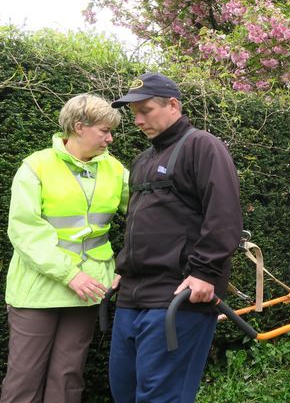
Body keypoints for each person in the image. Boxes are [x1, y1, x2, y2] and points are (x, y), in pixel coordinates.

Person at [109, 73, 242, 402]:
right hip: (131, 298)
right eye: (134, 113)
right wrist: (122, 268)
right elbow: (139, 224)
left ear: (173, 105)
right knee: (123, 391)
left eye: (146, 110)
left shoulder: (202, 146)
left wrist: (205, 273)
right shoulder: (143, 160)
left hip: (179, 296)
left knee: (161, 396)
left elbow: (224, 216)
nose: (138, 120)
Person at [1, 94, 128, 403]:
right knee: (24, 377)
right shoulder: (36, 166)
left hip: (88, 290)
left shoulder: (115, 170)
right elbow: (25, 230)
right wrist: (70, 275)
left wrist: (127, 265)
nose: (110, 139)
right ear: (79, 127)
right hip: (38, 290)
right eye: (104, 131)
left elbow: (146, 217)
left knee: (68, 376)